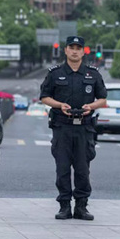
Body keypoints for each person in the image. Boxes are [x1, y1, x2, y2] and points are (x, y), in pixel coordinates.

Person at [40, 35, 107, 221]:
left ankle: (81, 207)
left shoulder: (93, 74)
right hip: (62, 126)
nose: (75, 51)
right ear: (66, 50)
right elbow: (44, 96)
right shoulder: (55, 73)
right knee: (62, 168)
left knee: (82, 169)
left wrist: (91, 106)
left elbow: (103, 98)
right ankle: (64, 206)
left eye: (79, 48)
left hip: (84, 129)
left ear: (83, 51)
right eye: (72, 47)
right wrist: (59, 105)